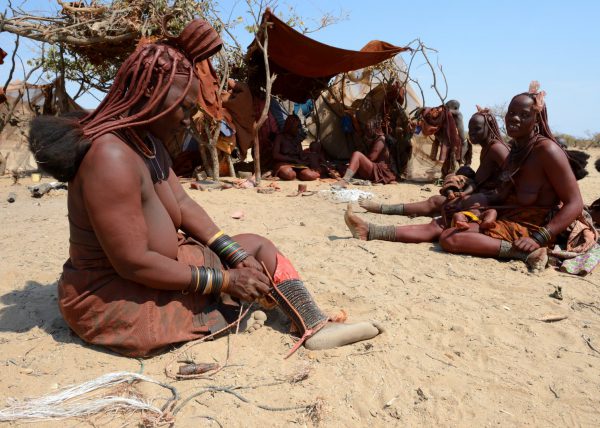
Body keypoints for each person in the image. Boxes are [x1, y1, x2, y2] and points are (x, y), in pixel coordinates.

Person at [28, 19, 380, 358]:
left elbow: (181, 204)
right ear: (152, 92)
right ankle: (234, 306)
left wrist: (236, 257)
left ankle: (313, 324)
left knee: (257, 246)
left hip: (166, 266)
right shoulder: (110, 157)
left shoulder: (148, 144)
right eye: (184, 106)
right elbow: (133, 263)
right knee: (223, 298)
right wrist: (225, 281)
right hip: (118, 295)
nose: (187, 117)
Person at [438, 82, 586, 270]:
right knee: (450, 231)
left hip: (535, 228)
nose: (514, 119)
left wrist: (538, 238)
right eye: (511, 113)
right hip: (509, 219)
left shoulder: (547, 151)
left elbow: (575, 203)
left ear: (537, 119)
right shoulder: (516, 150)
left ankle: (522, 252)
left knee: (452, 239)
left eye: (524, 115)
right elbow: (502, 194)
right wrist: (468, 203)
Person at [359, 109, 510, 218]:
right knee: (458, 173)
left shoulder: (497, 149)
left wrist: (483, 198)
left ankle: (384, 209)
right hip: (478, 192)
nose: (471, 133)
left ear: (489, 126)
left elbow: (513, 180)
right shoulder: (487, 149)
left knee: (435, 202)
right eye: (470, 129)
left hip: (488, 200)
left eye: (477, 129)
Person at [334, 117, 397, 187]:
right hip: (376, 170)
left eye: (368, 129)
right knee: (345, 167)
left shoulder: (381, 140)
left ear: (375, 129)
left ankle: (345, 180)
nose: (366, 131)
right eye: (366, 129)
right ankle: (346, 177)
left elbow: (371, 158)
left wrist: (360, 160)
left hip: (379, 172)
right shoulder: (376, 139)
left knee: (357, 154)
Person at [272, 114, 321, 181]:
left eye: (299, 127)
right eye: (297, 127)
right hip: (283, 163)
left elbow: (301, 155)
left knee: (309, 175)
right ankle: (295, 174)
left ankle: (300, 174)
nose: (298, 129)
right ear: (290, 126)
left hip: (297, 164)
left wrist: (307, 158)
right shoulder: (280, 137)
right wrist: (291, 159)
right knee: (290, 174)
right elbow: (275, 155)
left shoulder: (297, 139)